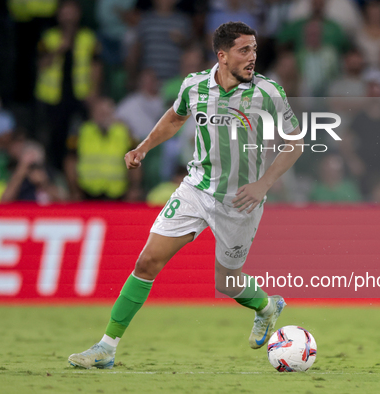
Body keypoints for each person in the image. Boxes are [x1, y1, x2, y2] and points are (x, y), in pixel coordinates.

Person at [68, 21, 303, 369]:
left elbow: (295, 142)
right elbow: (175, 119)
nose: (252, 57)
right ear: (222, 56)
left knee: (226, 282)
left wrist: (263, 184)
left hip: (240, 201)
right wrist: (143, 147)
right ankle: (106, 347)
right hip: (196, 188)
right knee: (146, 262)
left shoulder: (268, 93)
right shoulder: (194, 85)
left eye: (254, 49)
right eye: (244, 50)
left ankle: (267, 308)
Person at [35, 0, 102, 170]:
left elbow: (96, 65)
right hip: (52, 98)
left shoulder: (88, 37)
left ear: (78, 15)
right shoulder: (48, 37)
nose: (68, 17)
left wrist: (93, 91)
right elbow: (40, 65)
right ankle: (55, 171)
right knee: (54, 138)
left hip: (79, 96)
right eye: (65, 12)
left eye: (72, 12)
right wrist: (58, 49)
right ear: (58, 15)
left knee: (79, 137)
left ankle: (77, 172)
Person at [65, 97, 141, 201]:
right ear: (92, 114)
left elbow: (135, 162)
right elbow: (70, 161)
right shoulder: (82, 131)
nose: (103, 116)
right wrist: (74, 190)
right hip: (87, 194)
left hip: (118, 194)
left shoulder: (124, 133)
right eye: (99, 113)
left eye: (106, 112)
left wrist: (134, 188)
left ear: (113, 113)